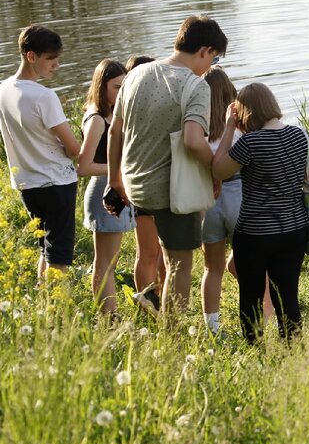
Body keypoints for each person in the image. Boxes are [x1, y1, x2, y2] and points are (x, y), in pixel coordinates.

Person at [107, 16, 224, 316]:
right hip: (172, 191)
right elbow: (193, 141)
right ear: (205, 50)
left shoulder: (135, 74)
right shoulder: (195, 86)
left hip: (135, 185)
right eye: (213, 58)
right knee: (180, 265)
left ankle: (151, 307)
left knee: (152, 252)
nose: (210, 66)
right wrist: (216, 170)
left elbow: (115, 131)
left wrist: (114, 178)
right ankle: (172, 336)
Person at [212, 83, 309, 342]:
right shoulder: (301, 135)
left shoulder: (250, 142)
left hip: (254, 233)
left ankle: (255, 348)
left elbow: (217, 171)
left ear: (245, 112)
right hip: (294, 230)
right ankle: (292, 350)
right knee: (287, 294)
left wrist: (229, 126)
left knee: (250, 294)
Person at [0, 26, 81, 279]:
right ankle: (56, 312)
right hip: (56, 183)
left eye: (57, 58)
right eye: (50, 58)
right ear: (31, 56)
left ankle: (44, 304)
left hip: (26, 184)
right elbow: (74, 150)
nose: (56, 65)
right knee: (58, 257)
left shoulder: (3, 89)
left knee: (45, 250)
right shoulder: (44, 96)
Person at [199, 66, 273, 336]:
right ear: (231, 93)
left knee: (212, 267)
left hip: (207, 199)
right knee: (254, 263)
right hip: (238, 195)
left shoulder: (198, 126)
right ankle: (267, 317)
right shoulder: (241, 127)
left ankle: (212, 326)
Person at [77, 59, 135, 315]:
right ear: (102, 86)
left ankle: (110, 313)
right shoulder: (98, 119)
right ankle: (108, 317)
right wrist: (118, 169)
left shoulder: (110, 113)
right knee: (104, 264)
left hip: (112, 191)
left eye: (124, 86)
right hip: (103, 192)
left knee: (110, 262)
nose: (121, 92)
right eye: (116, 86)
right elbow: (84, 166)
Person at [124, 55, 166, 302]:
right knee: (148, 252)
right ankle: (147, 303)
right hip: (142, 186)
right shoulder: (129, 111)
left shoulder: (155, 106)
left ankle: (161, 298)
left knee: (162, 252)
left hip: (161, 185)